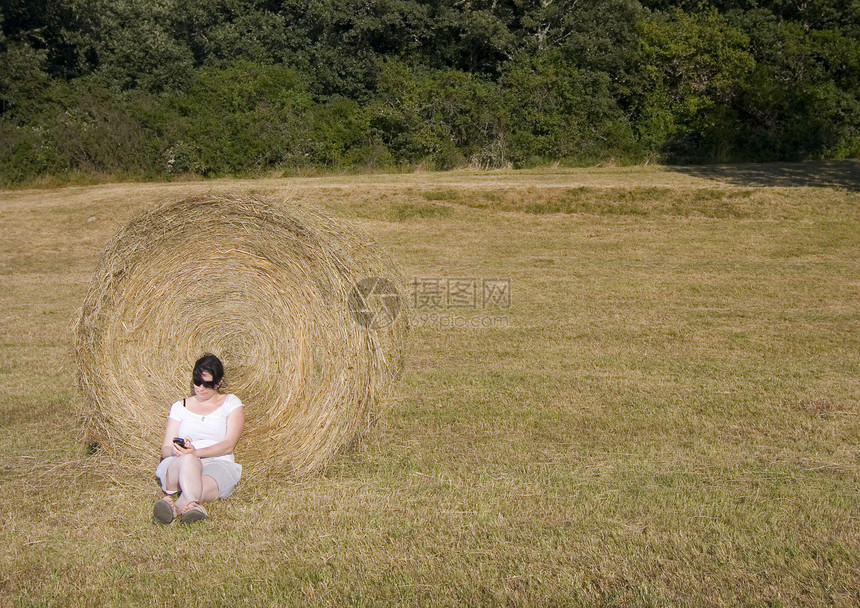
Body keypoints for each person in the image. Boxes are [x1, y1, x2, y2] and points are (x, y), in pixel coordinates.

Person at [153, 353, 245, 524]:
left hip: (218, 462)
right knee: (188, 460)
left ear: (218, 382)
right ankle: (191, 507)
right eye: (197, 382)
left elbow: (228, 445)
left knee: (201, 485)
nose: (200, 388)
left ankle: (176, 509)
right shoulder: (180, 407)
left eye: (206, 384)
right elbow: (165, 449)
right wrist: (178, 450)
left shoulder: (231, 403)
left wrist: (197, 452)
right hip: (179, 463)